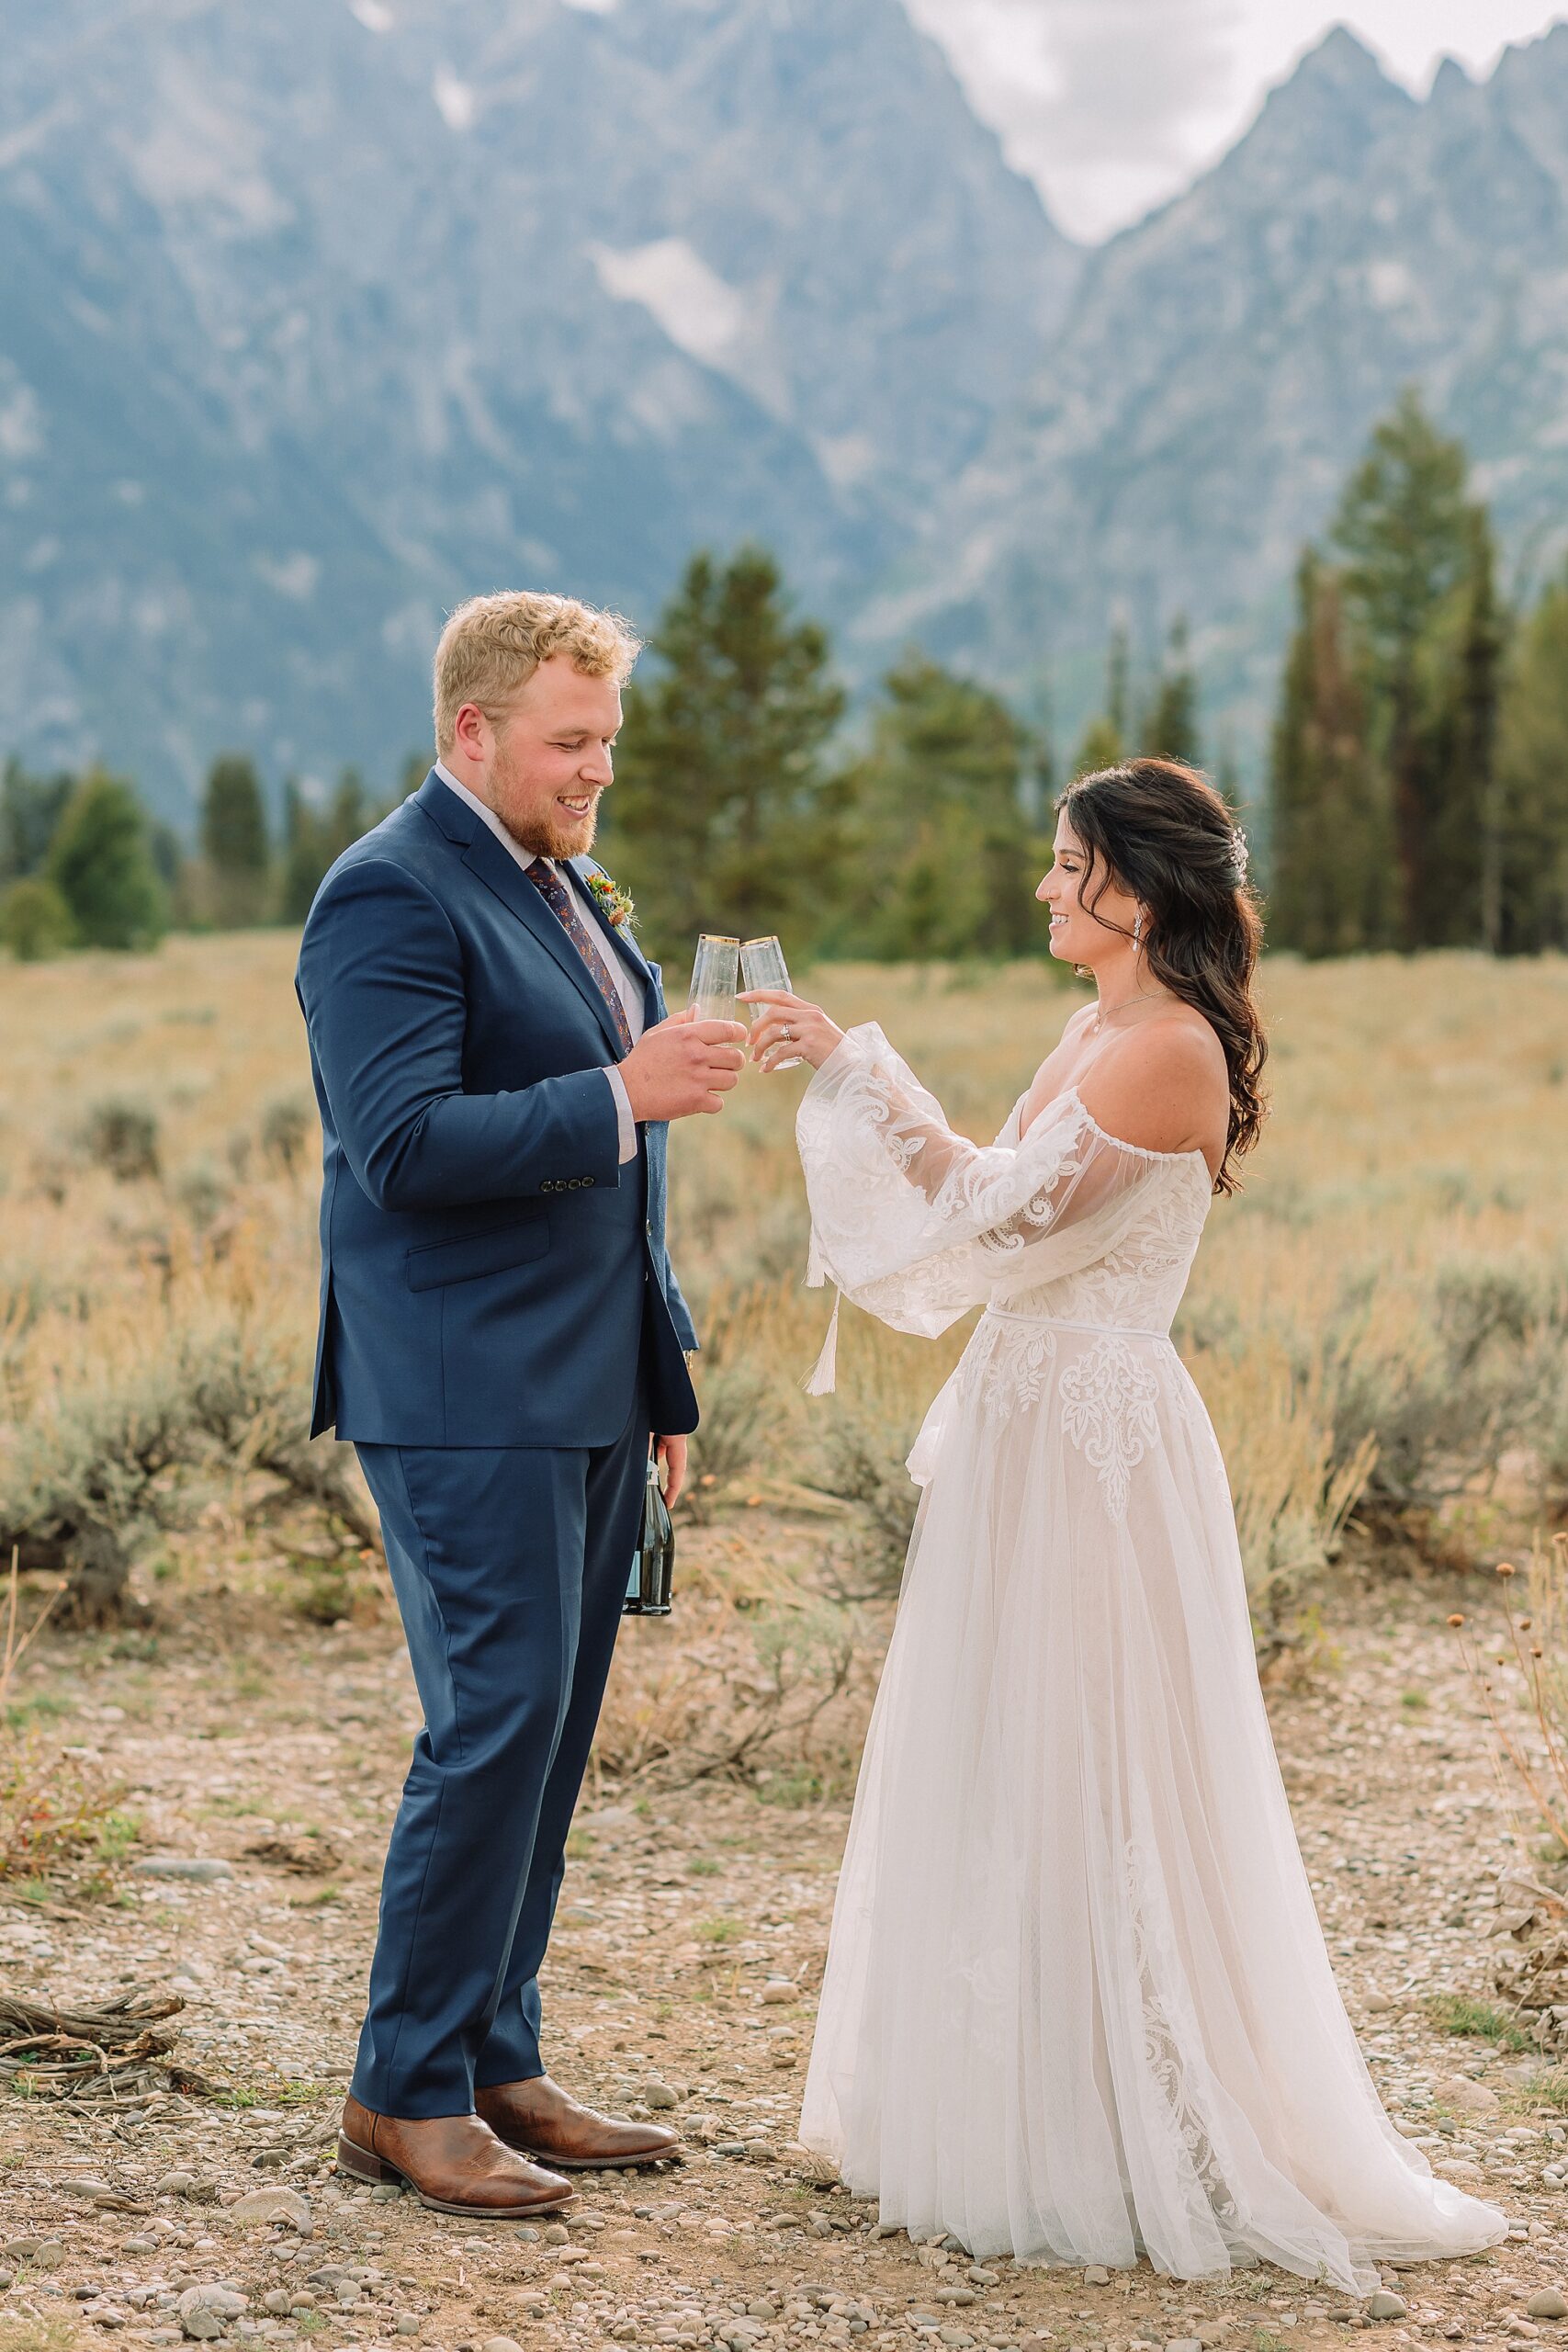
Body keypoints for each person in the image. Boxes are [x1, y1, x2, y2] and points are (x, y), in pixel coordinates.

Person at [743, 758, 1506, 2290]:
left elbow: (997, 1229)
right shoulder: (1095, 1025)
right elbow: (986, 1183)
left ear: (1134, 893)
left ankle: (1122, 2117)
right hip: (1032, 1420)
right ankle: (1023, 2096)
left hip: (1094, 1444)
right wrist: (850, 1070)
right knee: (1013, 1747)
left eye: (1062, 863)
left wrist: (858, 1075)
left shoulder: (1167, 1050)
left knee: (1097, 1751)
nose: (1041, 887)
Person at [296, 591, 746, 2218]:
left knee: (548, 1738)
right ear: (471, 729)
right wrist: (625, 1088)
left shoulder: (555, 884)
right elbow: (403, 1148)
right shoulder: (386, 895)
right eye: (571, 742)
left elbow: (614, 1180)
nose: (596, 772)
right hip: (460, 1387)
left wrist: (660, 1362)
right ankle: (399, 2092)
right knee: (491, 1727)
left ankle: (496, 2054)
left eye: (610, 742)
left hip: (585, 1381)